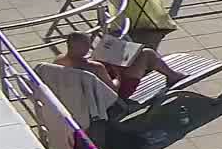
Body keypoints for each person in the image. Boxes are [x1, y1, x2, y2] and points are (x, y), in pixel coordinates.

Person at [53, 30, 184, 103]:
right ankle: (172, 76)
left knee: (123, 58)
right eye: (88, 45)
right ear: (81, 47)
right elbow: (114, 90)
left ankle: (163, 71)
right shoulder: (95, 67)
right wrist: (117, 75)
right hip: (110, 99)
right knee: (147, 54)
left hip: (84, 96)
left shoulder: (59, 60)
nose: (90, 47)